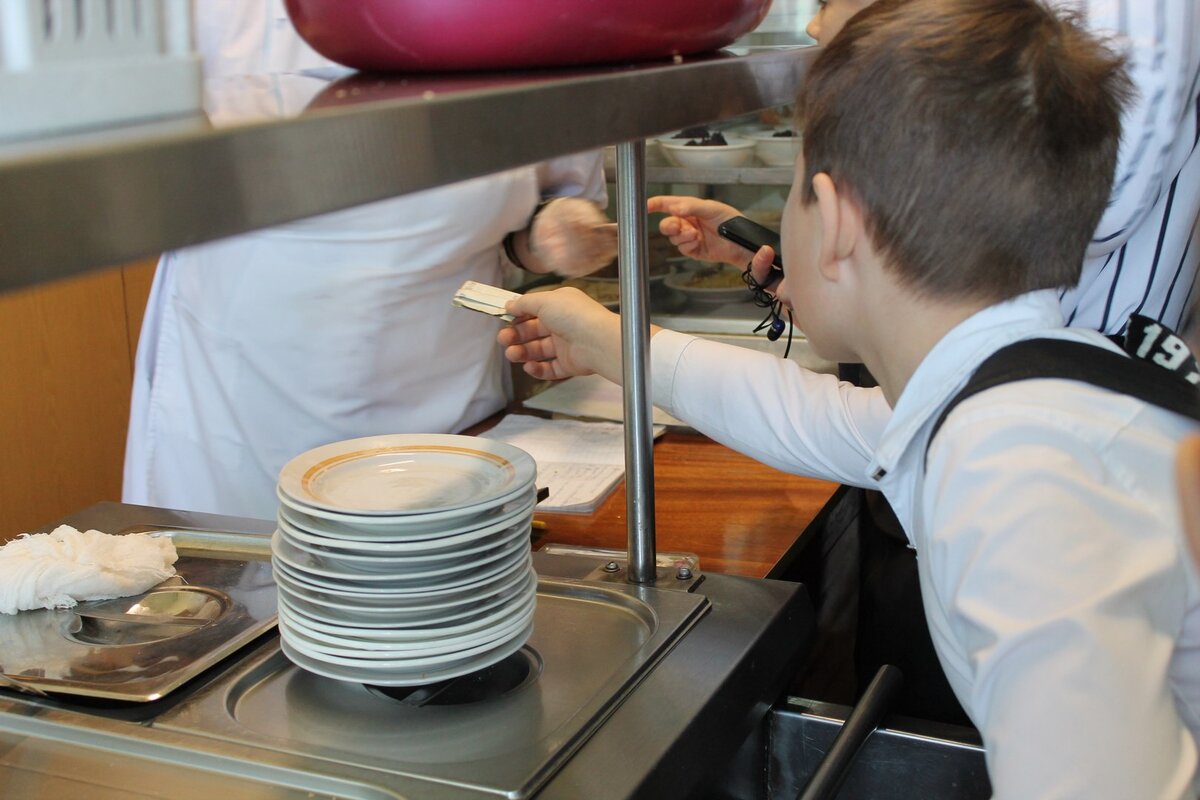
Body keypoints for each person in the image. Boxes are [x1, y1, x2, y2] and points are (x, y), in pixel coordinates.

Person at [498, 0, 1200, 795]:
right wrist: (610, 343)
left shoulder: (1015, 476)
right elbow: (816, 417)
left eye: (794, 188)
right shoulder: (1020, 393)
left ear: (832, 222)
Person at [122, 0, 616, 521]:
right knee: (244, 564)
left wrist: (550, 232)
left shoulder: (533, 19)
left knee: (439, 555)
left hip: (449, 407)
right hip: (241, 412)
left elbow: (534, 214)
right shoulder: (210, 14)